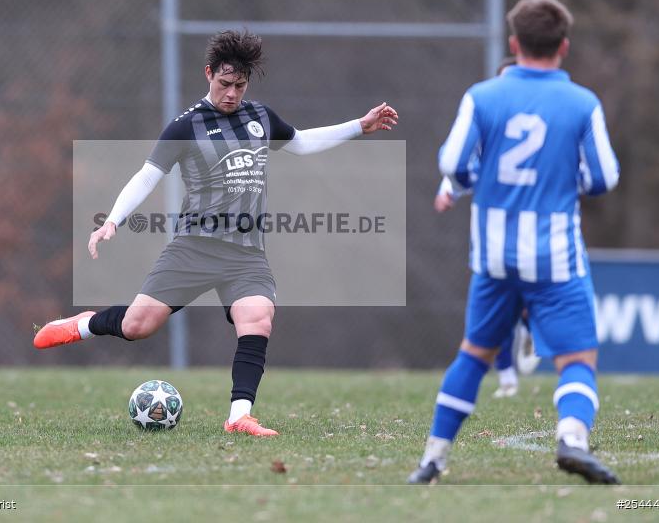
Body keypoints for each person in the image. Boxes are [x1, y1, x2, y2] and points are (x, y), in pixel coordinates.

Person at [34, 30, 399, 436]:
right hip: (194, 248)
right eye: (224, 84)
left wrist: (359, 127)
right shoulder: (185, 127)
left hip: (246, 253)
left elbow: (300, 143)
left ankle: (238, 416)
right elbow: (146, 176)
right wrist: (113, 220)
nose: (231, 93)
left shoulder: (260, 117)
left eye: (239, 85)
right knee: (138, 327)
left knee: (258, 318)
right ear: (208, 74)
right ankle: (84, 324)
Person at [409, 0, 620, 484]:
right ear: (563, 46)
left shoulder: (484, 96)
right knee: (577, 359)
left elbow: (454, 164)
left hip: (495, 256)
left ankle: (433, 459)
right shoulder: (582, 102)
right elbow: (604, 177)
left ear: (513, 43)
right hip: (556, 259)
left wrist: (480, 182)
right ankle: (571, 439)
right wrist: (570, 182)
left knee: (473, 355)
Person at [434, 56, 539, 399]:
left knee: (527, 300)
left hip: (537, 228)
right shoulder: (489, 119)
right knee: (498, 308)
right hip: (493, 232)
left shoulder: (543, 120)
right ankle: (507, 375)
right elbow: (462, 161)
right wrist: (447, 189)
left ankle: (531, 327)